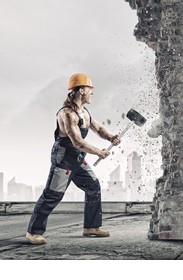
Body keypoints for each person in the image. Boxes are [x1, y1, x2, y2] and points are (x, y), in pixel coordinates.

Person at [25, 73, 121, 245]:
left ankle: (91, 227)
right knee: (52, 195)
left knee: (93, 186)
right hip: (64, 158)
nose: (92, 93)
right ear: (82, 90)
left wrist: (111, 137)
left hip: (77, 158)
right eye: (90, 90)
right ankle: (33, 232)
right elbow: (77, 142)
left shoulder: (84, 112)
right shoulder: (67, 114)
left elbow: (98, 128)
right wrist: (99, 152)